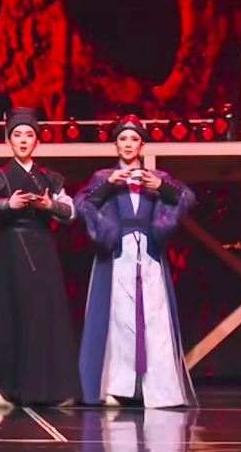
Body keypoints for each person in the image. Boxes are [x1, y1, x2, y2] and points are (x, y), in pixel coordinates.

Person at [75, 114, 197, 408]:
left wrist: (161, 186)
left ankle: (162, 390)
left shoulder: (157, 177)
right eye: (123, 139)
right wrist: (108, 187)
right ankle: (118, 387)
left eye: (134, 139)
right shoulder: (104, 177)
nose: (128, 144)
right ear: (116, 145)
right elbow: (81, 204)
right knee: (120, 319)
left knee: (154, 317)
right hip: (118, 253)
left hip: (149, 252)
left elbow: (187, 198)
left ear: (142, 145)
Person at [0, 107, 82, 408]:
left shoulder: (50, 178)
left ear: (37, 141)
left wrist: (48, 206)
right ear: (8, 141)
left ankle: (51, 389)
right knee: (9, 316)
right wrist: (8, 204)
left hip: (42, 248)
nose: (22, 140)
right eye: (17, 135)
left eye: (29, 135)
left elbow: (71, 212)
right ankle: (7, 388)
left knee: (45, 315)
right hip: (10, 249)